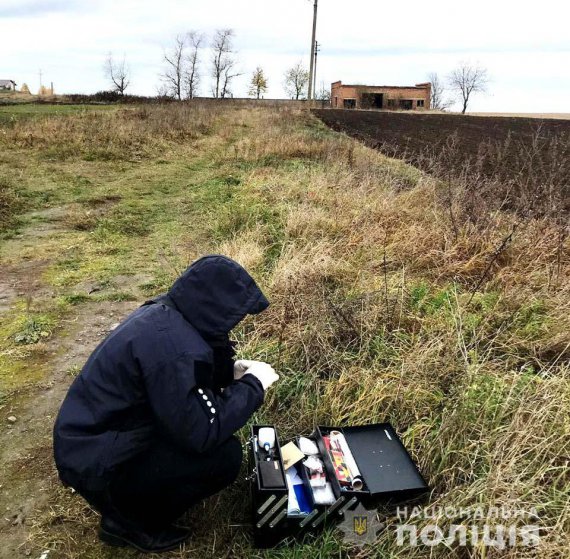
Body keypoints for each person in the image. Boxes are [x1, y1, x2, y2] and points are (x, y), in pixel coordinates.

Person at [53, 255, 279, 553]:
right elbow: (203, 432)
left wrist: (230, 371)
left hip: (94, 442)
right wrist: (253, 385)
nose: (235, 323)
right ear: (214, 306)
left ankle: (131, 498)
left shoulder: (169, 316)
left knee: (204, 443)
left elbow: (184, 382)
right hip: (96, 462)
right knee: (223, 457)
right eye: (233, 314)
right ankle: (128, 522)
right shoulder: (173, 347)